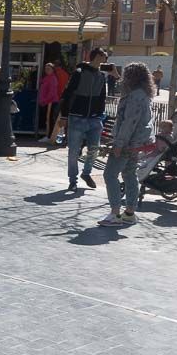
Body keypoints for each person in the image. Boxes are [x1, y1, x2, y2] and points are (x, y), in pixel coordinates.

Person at [99, 63, 155, 226]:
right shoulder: (143, 94)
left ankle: (115, 213)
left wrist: (119, 143)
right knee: (129, 174)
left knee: (110, 174)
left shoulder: (135, 96)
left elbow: (129, 122)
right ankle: (130, 212)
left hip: (127, 143)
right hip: (135, 143)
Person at [61, 48, 109, 191]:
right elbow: (67, 93)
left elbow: (102, 97)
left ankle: (86, 173)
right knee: (74, 151)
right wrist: (64, 115)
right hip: (77, 117)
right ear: (96, 56)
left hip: (94, 119)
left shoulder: (102, 75)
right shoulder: (79, 73)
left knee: (94, 149)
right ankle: (72, 180)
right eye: (103, 55)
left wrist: (100, 114)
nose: (106, 57)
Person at [37, 62, 61, 142]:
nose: (46, 70)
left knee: (50, 119)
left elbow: (52, 92)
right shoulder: (47, 78)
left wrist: (45, 101)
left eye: (48, 69)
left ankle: (49, 136)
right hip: (46, 102)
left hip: (51, 102)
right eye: (46, 69)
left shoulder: (52, 78)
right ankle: (48, 135)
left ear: (53, 70)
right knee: (47, 119)